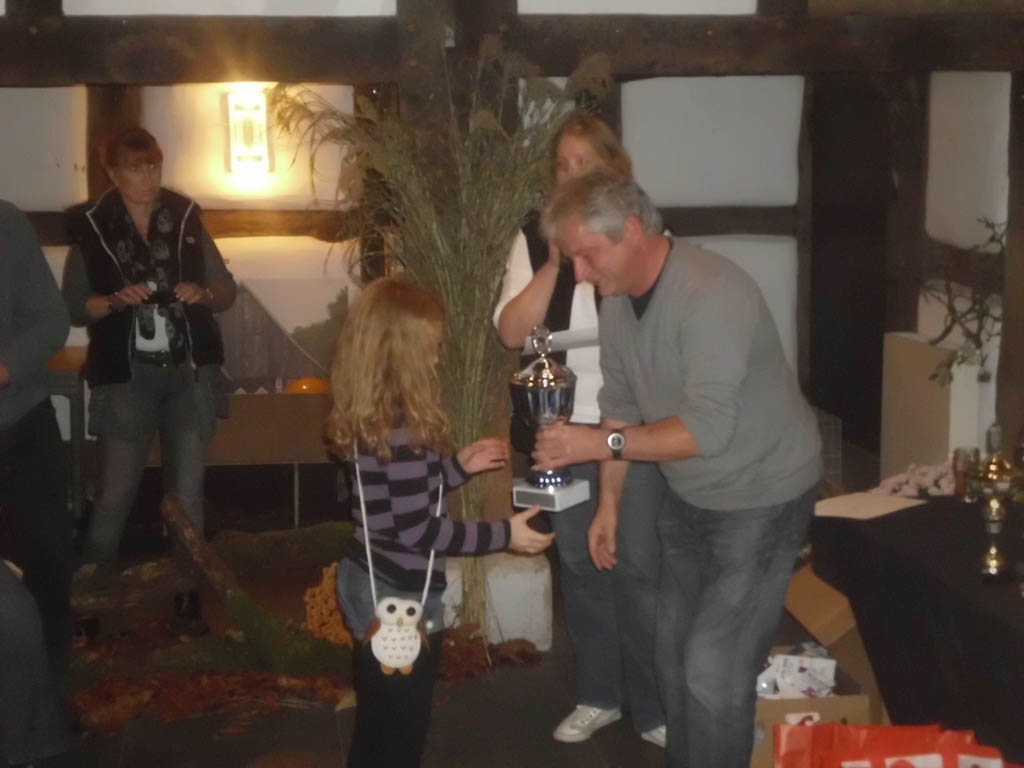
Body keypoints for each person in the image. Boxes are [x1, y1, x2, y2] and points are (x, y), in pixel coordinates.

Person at [533, 171, 822, 768]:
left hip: (762, 497)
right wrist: (609, 505)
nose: (579, 274)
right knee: (672, 664)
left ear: (631, 229)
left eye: (587, 255)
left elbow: (704, 430)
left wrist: (593, 445)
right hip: (691, 497)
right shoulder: (617, 301)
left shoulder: (711, 294)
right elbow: (620, 403)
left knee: (713, 671)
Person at [327, 276, 555, 768]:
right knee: (402, 732)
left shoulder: (376, 416)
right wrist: (505, 535)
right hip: (397, 597)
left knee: (379, 722)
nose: (436, 358)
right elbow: (420, 531)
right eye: (430, 347)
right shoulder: (404, 430)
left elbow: (395, 505)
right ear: (403, 354)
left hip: (369, 576)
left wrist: (457, 467)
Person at [493, 113, 667, 747]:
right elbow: (511, 333)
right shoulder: (535, 238)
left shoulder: (638, 231)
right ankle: (599, 695)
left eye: (584, 165)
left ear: (612, 171)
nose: (570, 176)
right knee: (578, 561)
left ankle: (653, 705)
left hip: (632, 422)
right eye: (562, 166)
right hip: (560, 425)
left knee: (636, 563)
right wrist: (554, 263)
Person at [63, 127, 237, 621]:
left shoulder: (184, 217)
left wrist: (205, 295)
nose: (149, 177)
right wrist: (116, 301)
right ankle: (89, 598)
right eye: (137, 168)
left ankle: (188, 595)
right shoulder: (93, 227)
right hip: (128, 376)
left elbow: (226, 289)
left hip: (188, 372)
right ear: (113, 173)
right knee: (114, 493)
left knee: (187, 495)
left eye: (154, 166)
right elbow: (75, 306)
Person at [0, 200, 72, 765]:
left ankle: (50, 709)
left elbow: (51, 320)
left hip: (19, 419)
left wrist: (3, 367)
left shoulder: (6, 224)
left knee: (47, 563)